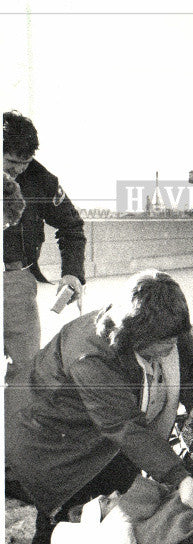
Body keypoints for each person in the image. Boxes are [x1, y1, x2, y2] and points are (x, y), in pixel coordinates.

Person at [7, 270, 193, 544]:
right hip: (53, 443)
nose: (167, 350)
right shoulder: (90, 351)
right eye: (157, 346)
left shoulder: (166, 327)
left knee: (141, 506)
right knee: (58, 524)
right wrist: (178, 476)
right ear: (133, 333)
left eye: (171, 341)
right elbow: (122, 424)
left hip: (109, 439)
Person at [3, 111, 86, 413]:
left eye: (25, 162)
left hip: (15, 283)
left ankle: (13, 445)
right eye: (11, 163)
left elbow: (72, 225)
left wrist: (73, 273)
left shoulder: (41, 180)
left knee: (26, 371)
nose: (19, 171)